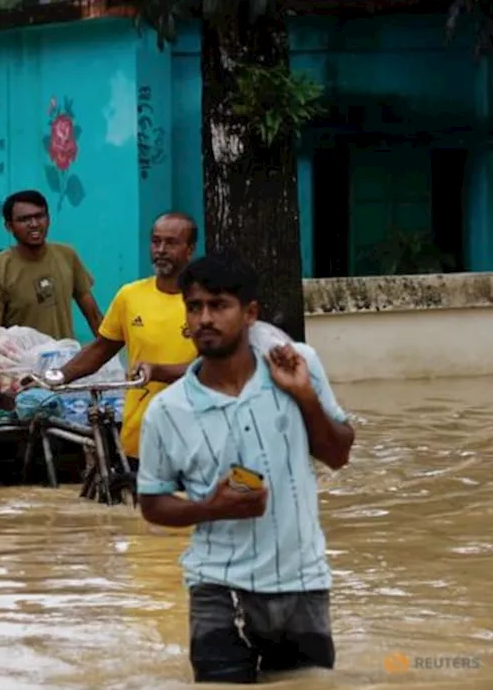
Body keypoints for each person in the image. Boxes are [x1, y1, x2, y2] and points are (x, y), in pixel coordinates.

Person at [137, 251, 355, 684]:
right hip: (216, 586)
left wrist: (304, 397)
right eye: (195, 306)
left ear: (250, 313)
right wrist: (210, 508)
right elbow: (152, 504)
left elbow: (338, 454)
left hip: (302, 582)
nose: (204, 319)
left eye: (218, 306)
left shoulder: (298, 365)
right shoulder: (167, 411)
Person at [53, 212, 200, 468]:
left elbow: (213, 368)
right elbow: (101, 349)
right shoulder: (130, 296)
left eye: (171, 243)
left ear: (190, 249)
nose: (161, 250)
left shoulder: (206, 302)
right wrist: (56, 377)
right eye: (156, 242)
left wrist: (157, 371)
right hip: (139, 437)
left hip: (195, 439)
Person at [0, 189, 104, 340]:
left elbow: (93, 315)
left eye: (39, 216)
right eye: (24, 219)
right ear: (9, 227)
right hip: (23, 363)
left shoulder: (67, 255)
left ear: (48, 219)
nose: (34, 224)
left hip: (68, 361)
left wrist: (110, 358)